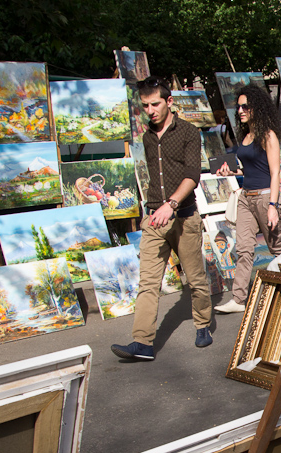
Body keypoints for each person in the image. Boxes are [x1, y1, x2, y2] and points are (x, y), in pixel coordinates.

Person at [111, 76, 213, 361]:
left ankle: (203, 324)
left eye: (155, 103)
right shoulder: (146, 136)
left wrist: (172, 204)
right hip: (155, 218)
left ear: (169, 102)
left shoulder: (189, 132)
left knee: (194, 279)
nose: (150, 110)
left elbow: (192, 175)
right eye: (145, 105)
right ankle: (142, 343)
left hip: (184, 217)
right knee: (148, 283)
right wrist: (158, 207)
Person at [214, 84, 281, 313]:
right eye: (238, 107)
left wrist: (273, 206)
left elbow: (275, 172)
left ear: (257, 107)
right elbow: (253, 169)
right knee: (244, 248)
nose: (240, 111)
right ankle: (238, 299)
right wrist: (232, 173)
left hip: (266, 197)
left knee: (277, 247)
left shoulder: (269, 135)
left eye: (245, 106)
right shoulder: (247, 136)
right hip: (246, 198)